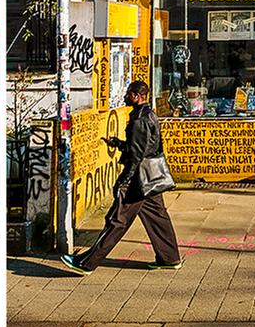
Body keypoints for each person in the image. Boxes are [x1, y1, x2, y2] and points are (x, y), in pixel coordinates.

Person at [58, 80, 182, 274]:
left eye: (128, 93)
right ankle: (170, 258)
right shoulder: (149, 115)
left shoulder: (139, 119)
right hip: (150, 177)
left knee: (117, 221)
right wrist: (119, 144)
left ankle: (86, 263)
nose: (125, 96)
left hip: (137, 181)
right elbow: (145, 147)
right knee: (158, 218)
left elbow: (136, 156)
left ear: (136, 96)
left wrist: (124, 181)